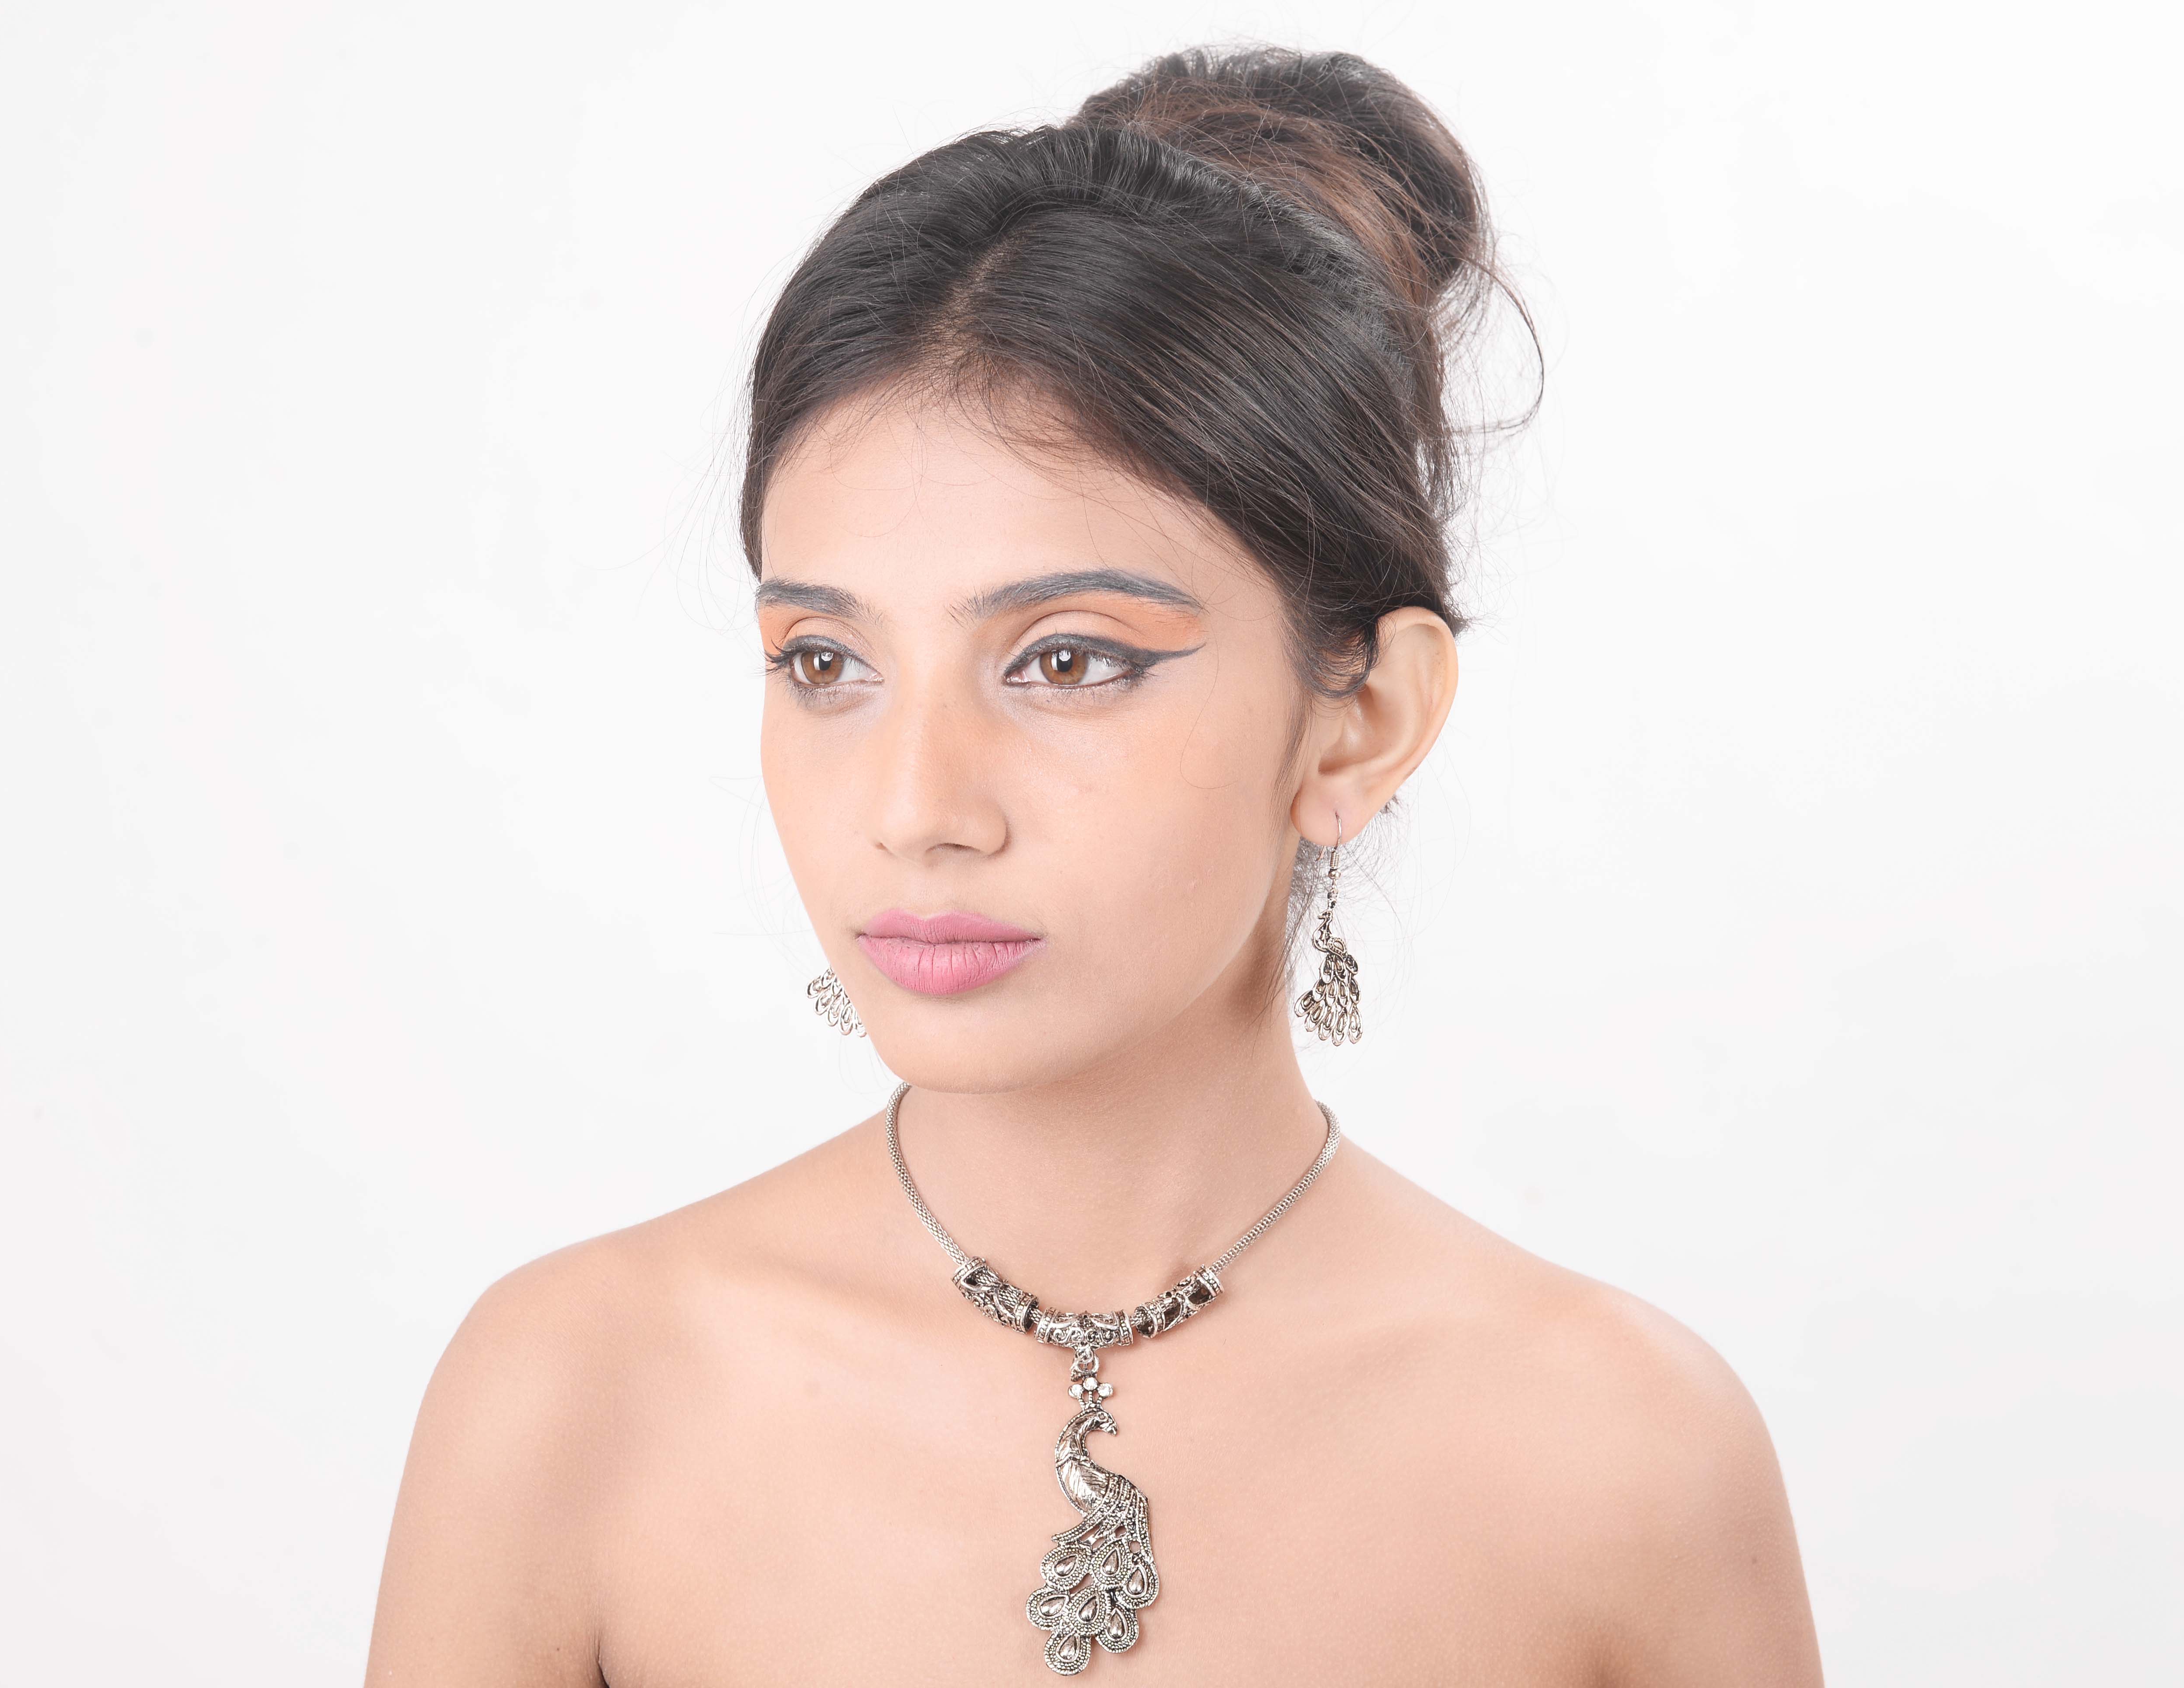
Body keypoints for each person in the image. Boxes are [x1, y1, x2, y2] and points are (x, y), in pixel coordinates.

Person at [364, 45, 1823, 1685]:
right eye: (828, 664)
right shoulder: (576, 1402)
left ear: (1361, 722)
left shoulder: (1620, 1461)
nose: (915, 806)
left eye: (1067, 661)